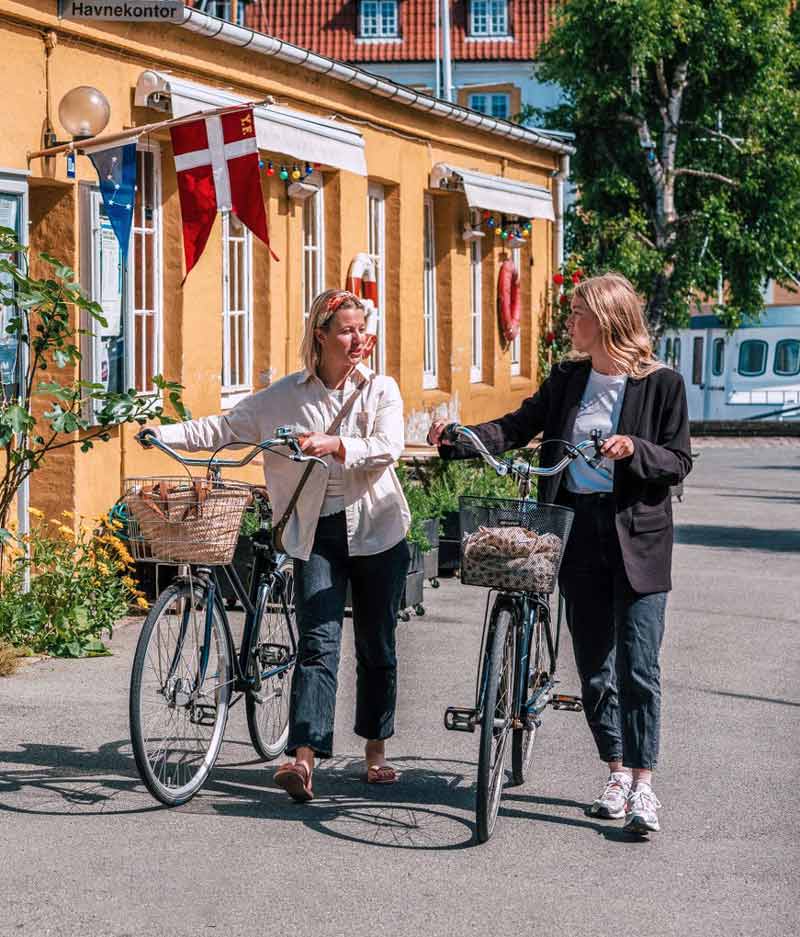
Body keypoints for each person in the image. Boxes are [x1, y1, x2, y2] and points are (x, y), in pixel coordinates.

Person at [428, 272, 691, 835]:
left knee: (638, 665)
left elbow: (677, 461)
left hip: (637, 536)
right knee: (595, 666)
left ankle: (645, 785)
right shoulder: (569, 379)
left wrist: (634, 448)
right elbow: (520, 426)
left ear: (606, 320)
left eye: (577, 312)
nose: (568, 321)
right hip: (575, 530)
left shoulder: (662, 384)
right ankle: (617, 771)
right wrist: (460, 438)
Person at [150, 289, 411, 803]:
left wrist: (336, 444)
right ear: (321, 335)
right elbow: (225, 428)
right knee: (317, 643)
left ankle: (375, 752)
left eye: (362, 330)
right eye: (346, 330)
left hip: (379, 532)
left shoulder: (381, 389)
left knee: (377, 646)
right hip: (318, 533)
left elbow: (389, 448)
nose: (358, 340)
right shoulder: (286, 395)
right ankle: (303, 759)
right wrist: (163, 433)